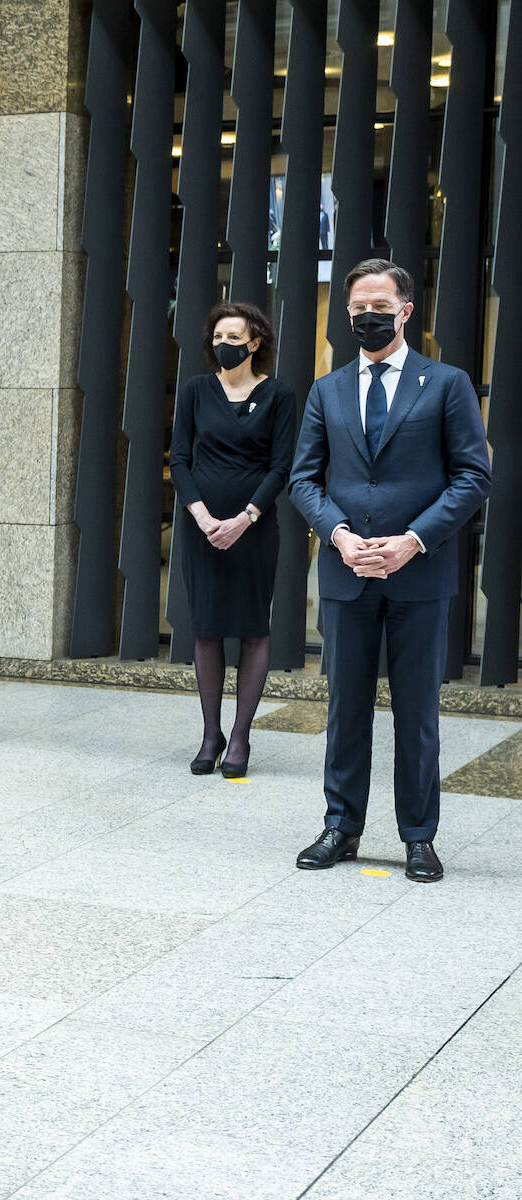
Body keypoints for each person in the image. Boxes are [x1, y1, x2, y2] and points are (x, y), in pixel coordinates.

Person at [289, 258, 492, 882]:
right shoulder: (327, 389)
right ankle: (340, 827)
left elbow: (472, 476)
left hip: (419, 575)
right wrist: (339, 535)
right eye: (357, 310)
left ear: (406, 312)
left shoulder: (448, 383)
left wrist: (413, 540)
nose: (367, 318)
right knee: (345, 708)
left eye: (379, 307)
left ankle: (419, 836)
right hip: (348, 572)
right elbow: (304, 478)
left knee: (417, 711)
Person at [169, 302, 298, 778]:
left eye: (234, 336)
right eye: (218, 336)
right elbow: (180, 458)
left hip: (255, 527)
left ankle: (241, 735)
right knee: (205, 628)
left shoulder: (279, 395)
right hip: (200, 526)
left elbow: (281, 466)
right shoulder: (196, 390)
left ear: (255, 342)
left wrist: (245, 518)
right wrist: (202, 516)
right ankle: (210, 733)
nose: (224, 344)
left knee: (251, 628)